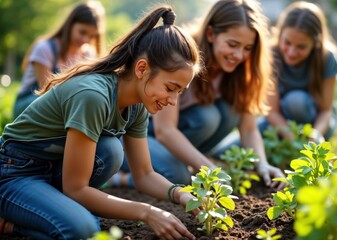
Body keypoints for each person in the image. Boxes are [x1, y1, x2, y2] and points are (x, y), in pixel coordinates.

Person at [0, 6, 201, 240]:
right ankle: (11, 225)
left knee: (110, 150)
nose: (173, 101)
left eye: (180, 92)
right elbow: (76, 189)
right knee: (84, 230)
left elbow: (144, 174)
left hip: (51, 172)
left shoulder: (137, 105)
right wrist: (147, 212)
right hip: (14, 173)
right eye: (170, 88)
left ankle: (50, 209)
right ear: (142, 68)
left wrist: (182, 195)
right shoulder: (93, 96)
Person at [111, 0, 286, 190]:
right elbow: (165, 131)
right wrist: (209, 168)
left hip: (175, 139)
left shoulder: (241, 70)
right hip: (142, 135)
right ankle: (118, 178)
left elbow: (249, 128)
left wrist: (262, 164)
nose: (239, 55)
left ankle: (184, 164)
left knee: (229, 112)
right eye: (232, 44)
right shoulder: (185, 57)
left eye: (247, 48)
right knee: (180, 174)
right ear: (211, 34)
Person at [258, 1, 337, 143]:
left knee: (296, 101)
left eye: (301, 47)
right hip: (279, 123)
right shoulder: (271, 55)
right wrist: (294, 141)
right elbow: (272, 112)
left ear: (316, 42)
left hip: (318, 124)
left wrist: (314, 136)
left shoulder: (327, 58)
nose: (291, 52)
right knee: (227, 148)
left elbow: (326, 111)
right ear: (280, 34)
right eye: (287, 42)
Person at [12, 0, 106, 119]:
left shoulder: (88, 53)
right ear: (70, 25)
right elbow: (46, 92)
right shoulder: (45, 48)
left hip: (62, 104)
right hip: (31, 102)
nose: (85, 40)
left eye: (92, 36)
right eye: (82, 32)